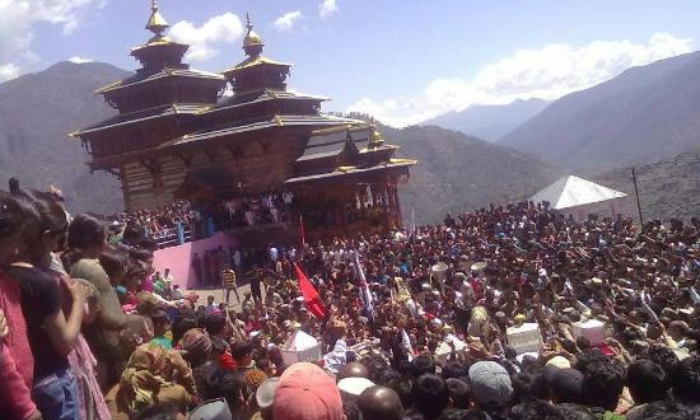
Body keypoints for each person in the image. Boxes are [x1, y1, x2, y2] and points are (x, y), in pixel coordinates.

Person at [6, 193, 86, 420]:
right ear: (46, 237)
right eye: (58, 240)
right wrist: (78, 300)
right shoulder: (42, 283)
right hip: (50, 379)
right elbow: (65, 342)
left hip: (18, 385)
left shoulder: (4, 277)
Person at [65, 213, 149, 390]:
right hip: (105, 353)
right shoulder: (92, 268)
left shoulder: (75, 265)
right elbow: (112, 318)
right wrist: (140, 321)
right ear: (97, 240)